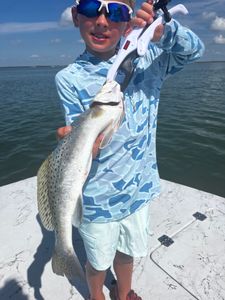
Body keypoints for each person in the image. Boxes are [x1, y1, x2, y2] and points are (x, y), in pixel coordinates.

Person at [55, 0, 205, 299]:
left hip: (139, 189)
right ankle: (97, 295)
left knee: (127, 254)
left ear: (126, 21)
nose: (102, 21)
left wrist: (163, 31)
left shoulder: (150, 58)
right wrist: (75, 143)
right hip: (96, 199)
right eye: (89, 8)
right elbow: (85, 143)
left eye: (117, 12)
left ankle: (123, 293)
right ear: (75, 16)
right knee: (97, 262)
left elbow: (195, 50)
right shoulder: (68, 78)